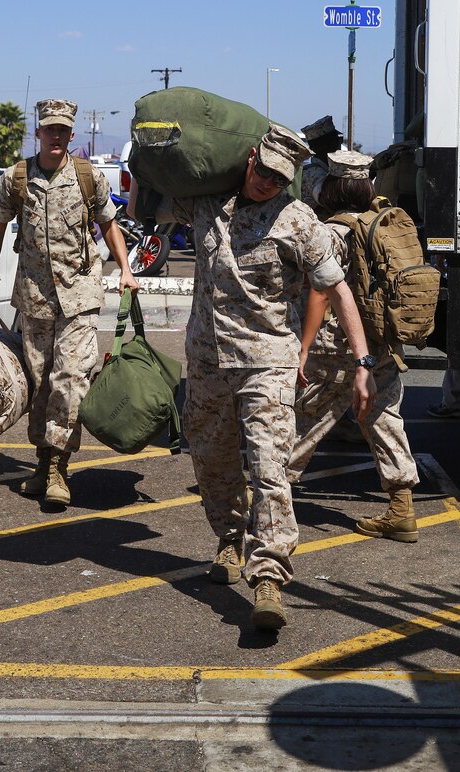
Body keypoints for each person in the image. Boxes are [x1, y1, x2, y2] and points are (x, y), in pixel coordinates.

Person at [133, 124, 377, 631]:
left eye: (279, 177)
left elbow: (337, 290)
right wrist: (145, 159)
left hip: (268, 360)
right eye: (263, 170)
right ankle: (228, 538)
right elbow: (144, 208)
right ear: (249, 159)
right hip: (206, 360)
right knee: (210, 457)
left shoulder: (298, 221)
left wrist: (362, 363)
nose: (268, 181)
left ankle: (267, 576)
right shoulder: (205, 205)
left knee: (270, 465)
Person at [0, 98, 138, 506]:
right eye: (50, 129)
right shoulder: (16, 179)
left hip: (80, 294)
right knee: (41, 383)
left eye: (63, 129)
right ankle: (43, 461)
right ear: (38, 131)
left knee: (71, 380)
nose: (57, 136)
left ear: (71, 133)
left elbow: (109, 225)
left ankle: (58, 469)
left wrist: (126, 269)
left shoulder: (88, 177)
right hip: (34, 298)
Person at [288, 150, 420, 542]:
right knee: (385, 420)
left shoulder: (333, 232)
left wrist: (304, 349)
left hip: (338, 345)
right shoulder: (383, 220)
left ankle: (266, 494)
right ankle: (402, 510)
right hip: (382, 339)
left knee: (302, 419)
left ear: (330, 188)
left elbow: (320, 294)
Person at [300, 115, 343, 217]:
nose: (339, 145)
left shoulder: (325, 170)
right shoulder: (315, 174)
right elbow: (331, 201)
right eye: (336, 141)